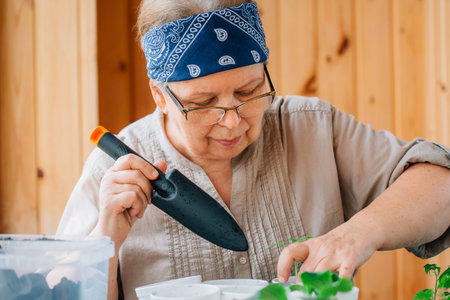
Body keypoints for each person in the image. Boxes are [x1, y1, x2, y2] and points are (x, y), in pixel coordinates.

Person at [57, 0, 450, 299]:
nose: (233, 120)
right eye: (204, 102)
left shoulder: (313, 127)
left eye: (248, 91)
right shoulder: (111, 172)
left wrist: (358, 233)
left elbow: (440, 186)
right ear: (159, 95)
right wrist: (105, 238)